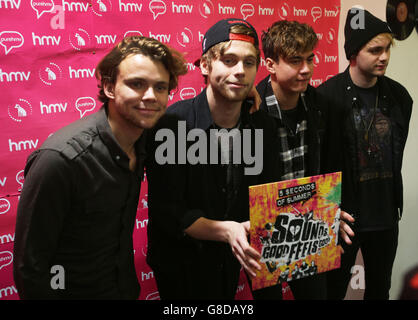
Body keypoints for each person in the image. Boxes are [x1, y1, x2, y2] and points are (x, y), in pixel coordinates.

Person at [13, 36, 187, 299]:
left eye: (160, 87)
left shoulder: (146, 138)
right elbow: (30, 269)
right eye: (137, 84)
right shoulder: (61, 160)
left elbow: (200, 121)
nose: (150, 96)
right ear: (109, 87)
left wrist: (242, 98)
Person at [145, 18, 279, 299]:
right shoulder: (172, 125)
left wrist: (320, 226)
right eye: (229, 60)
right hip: (182, 264)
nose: (240, 71)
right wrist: (226, 231)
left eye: (249, 62)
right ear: (204, 66)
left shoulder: (262, 125)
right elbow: (169, 213)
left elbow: (266, 195)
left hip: (229, 260)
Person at [317, 8, 413, 300]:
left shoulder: (400, 97)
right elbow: (320, 159)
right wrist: (328, 210)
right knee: (330, 292)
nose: (383, 56)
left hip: (385, 217)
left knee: (379, 291)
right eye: (375, 50)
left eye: (386, 49)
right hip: (342, 219)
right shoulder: (326, 97)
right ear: (354, 53)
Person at [254, 20, 329, 300]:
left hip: (309, 230)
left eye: (310, 59)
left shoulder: (320, 105)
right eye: (296, 61)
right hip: (265, 235)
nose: (307, 69)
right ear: (270, 64)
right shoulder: (251, 110)